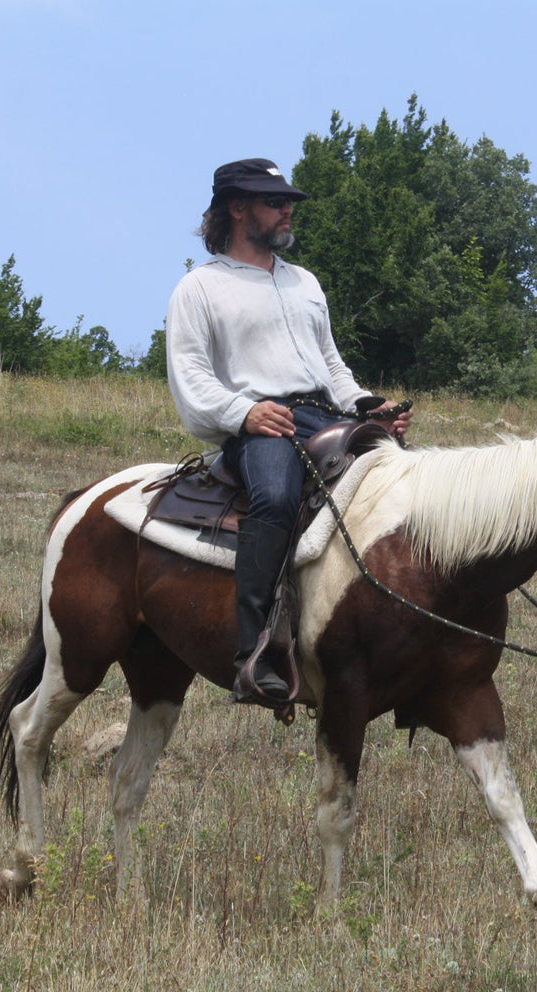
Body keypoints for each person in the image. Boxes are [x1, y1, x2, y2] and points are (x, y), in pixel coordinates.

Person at [166, 157, 412, 705]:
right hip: (263, 428)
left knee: (404, 479)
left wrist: (371, 407)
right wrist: (244, 414)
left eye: (287, 202)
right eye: (274, 201)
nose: (286, 210)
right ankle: (257, 655)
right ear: (236, 208)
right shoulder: (199, 288)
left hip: (326, 417)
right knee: (275, 499)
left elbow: (332, 367)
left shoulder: (304, 283)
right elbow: (191, 381)